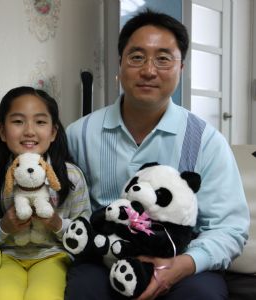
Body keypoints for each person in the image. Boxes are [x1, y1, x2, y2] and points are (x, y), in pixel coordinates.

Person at [64, 9, 249, 300]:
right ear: (120, 64)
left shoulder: (205, 140)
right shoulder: (79, 134)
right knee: (81, 290)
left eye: (163, 59)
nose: (149, 70)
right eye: (137, 57)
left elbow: (230, 227)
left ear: (181, 68)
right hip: (106, 258)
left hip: (181, 260)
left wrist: (181, 266)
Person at [0, 86, 91, 300]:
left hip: (52, 256)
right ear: (2, 131)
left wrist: (56, 224)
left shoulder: (71, 176)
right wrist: (3, 227)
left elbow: (84, 230)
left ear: (53, 132)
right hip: (5, 256)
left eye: (40, 122)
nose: (29, 131)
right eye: (18, 121)